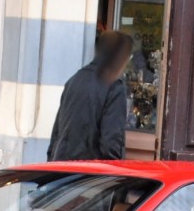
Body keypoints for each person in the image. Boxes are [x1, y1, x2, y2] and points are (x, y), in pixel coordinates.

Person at [41, 31, 134, 211]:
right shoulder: (114, 87)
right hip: (94, 173)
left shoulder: (74, 80)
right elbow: (111, 141)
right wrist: (118, 176)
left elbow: (57, 132)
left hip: (62, 167)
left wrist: (51, 166)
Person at [47, 30, 133, 162]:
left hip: (60, 170)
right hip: (89, 175)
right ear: (119, 57)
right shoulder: (114, 87)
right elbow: (111, 145)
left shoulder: (74, 80)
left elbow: (56, 136)